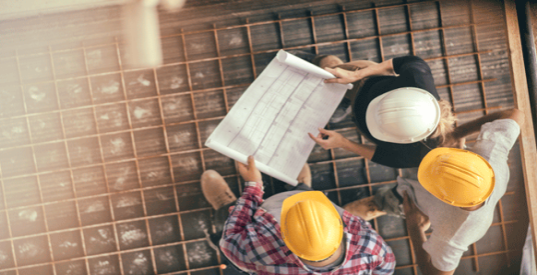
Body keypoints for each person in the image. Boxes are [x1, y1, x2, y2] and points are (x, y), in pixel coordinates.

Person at [343, 108, 524, 275]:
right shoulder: (492, 156)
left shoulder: (454, 235)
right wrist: (457, 134)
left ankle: (380, 204)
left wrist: (415, 228)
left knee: (388, 202)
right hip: (441, 163)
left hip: (414, 201)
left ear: (441, 197)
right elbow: (514, 114)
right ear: (472, 159)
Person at [201, 157, 395, 274]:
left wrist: (253, 187)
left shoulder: (261, 251)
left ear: (283, 236)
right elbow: (386, 267)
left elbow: (231, 240)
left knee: (228, 220)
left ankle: (226, 206)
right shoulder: (369, 245)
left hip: (262, 218)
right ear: (341, 228)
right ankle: (301, 187)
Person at [308, 55, 461, 168]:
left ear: (406, 139)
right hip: (363, 81)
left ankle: (345, 104)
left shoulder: (418, 156)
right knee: (324, 70)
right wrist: (354, 75)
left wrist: (342, 142)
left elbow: (381, 155)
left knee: (333, 108)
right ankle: (322, 60)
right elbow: (397, 63)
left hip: (359, 116)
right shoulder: (418, 78)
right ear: (406, 91)